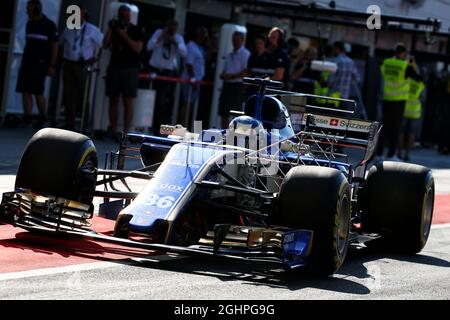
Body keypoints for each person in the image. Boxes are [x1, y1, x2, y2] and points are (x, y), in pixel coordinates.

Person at [16, 0, 58, 128]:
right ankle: (27, 118)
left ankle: (42, 117)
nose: (27, 11)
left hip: (41, 65)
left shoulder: (49, 25)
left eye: (29, 8)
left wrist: (52, 65)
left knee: (38, 92)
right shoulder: (29, 24)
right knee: (25, 90)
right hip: (27, 63)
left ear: (36, 8)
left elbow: (55, 46)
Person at [103, 4, 143, 138]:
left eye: (127, 16)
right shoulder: (114, 28)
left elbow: (137, 48)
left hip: (130, 69)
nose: (125, 18)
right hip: (115, 67)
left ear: (130, 16)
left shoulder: (136, 30)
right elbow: (105, 44)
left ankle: (126, 132)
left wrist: (124, 35)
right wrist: (110, 28)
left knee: (128, 101)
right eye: (122, 16)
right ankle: (113, 130)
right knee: (113, 99)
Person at [376, 43, 422, 160]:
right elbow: (418, 78)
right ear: (403, 54)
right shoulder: (405, 65)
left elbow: (381, 71)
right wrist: (412, 64)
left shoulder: (386, 62)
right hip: (399, 101)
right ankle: (391, 154)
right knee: (395, 128)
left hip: (387, 98)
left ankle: (379, 153)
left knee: (384, 127)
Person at [61, 4, 103, 131]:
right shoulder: (68, 28)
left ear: (83, 14)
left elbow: (102, 45)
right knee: (68, 95)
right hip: (69, 63)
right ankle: (70, 124)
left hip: (83, 65)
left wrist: (95, 59)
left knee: (83, 96)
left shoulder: (92, 30)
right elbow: (62, 44)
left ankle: (85, 125)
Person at [146, 20, 187, 132]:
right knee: (149, 99)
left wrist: (174, 42)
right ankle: (146, 125)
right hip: (154, 69)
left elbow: (184, 53)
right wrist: (161, 37)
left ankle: (158, 128)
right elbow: (148, 47)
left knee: (162, 101)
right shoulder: (159, 33)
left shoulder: (178, 38)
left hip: (167, 72)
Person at [218, 31, 250, 128]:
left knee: (237, 114)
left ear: (242, 40)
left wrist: (231, 76)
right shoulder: (229, 54)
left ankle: (235, 136)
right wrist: (224, 76)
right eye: (234, 40)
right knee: (224, 112)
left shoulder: (246, 54)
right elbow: (223, 72)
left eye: (237, 40)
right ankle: (224, 134)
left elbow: (246, 71)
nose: (235, 42)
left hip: (237, 87)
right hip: (227, 85)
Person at [179, 26, 208, 128]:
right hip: (190, 81)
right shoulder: (191, 46)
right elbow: (189, 64)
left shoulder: (200, 47)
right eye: (204, 36)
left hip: (198, 81)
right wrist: (193, 79)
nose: (205, 38)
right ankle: (182, 126)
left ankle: (189, 126)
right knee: (187, 104)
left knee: (191, 105)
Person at [398, 59, 425, 162]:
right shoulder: (420, 84)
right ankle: (407, 154)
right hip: (415, 112)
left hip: (404, 109)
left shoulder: (406, 80)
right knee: (411, 134)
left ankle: (399, 153)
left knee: (401, 132)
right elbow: (422, 98)